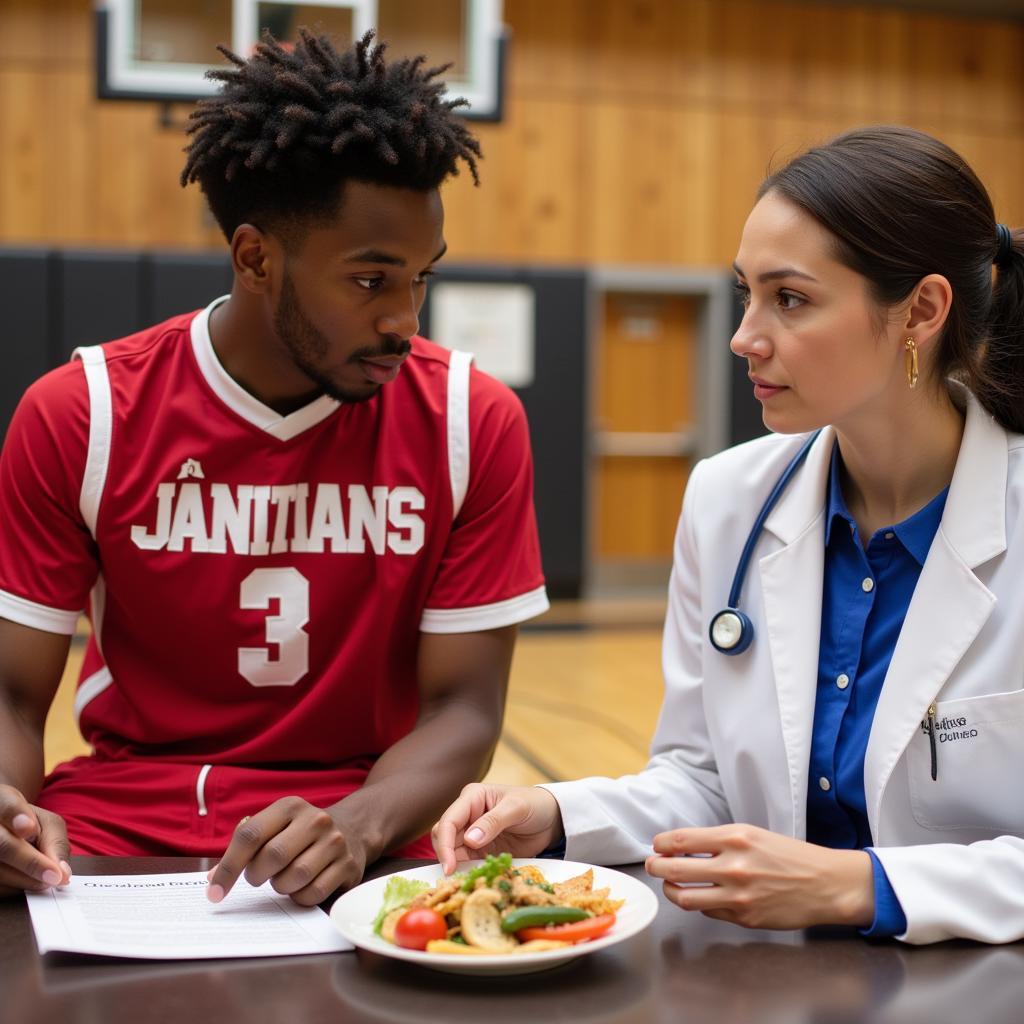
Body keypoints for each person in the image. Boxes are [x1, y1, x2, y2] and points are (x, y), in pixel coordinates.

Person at [433, 125, 1024, 945]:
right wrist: (561, 813)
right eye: (745, 292)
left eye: (790, 299)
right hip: (772, 983)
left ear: (920, 310)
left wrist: (863, 885)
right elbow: (703, 780)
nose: (744, 335)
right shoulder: (728, 499)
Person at [0, 30, 548, 906]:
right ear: (256, 258)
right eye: (371, 281)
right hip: (116, 822)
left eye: (421, 279)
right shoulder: (83, 412)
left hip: (366, 823)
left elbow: (464, 710)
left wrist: (361, 824)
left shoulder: (471, 420)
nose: (406, 319)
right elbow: (11, 696)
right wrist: (9, 813)